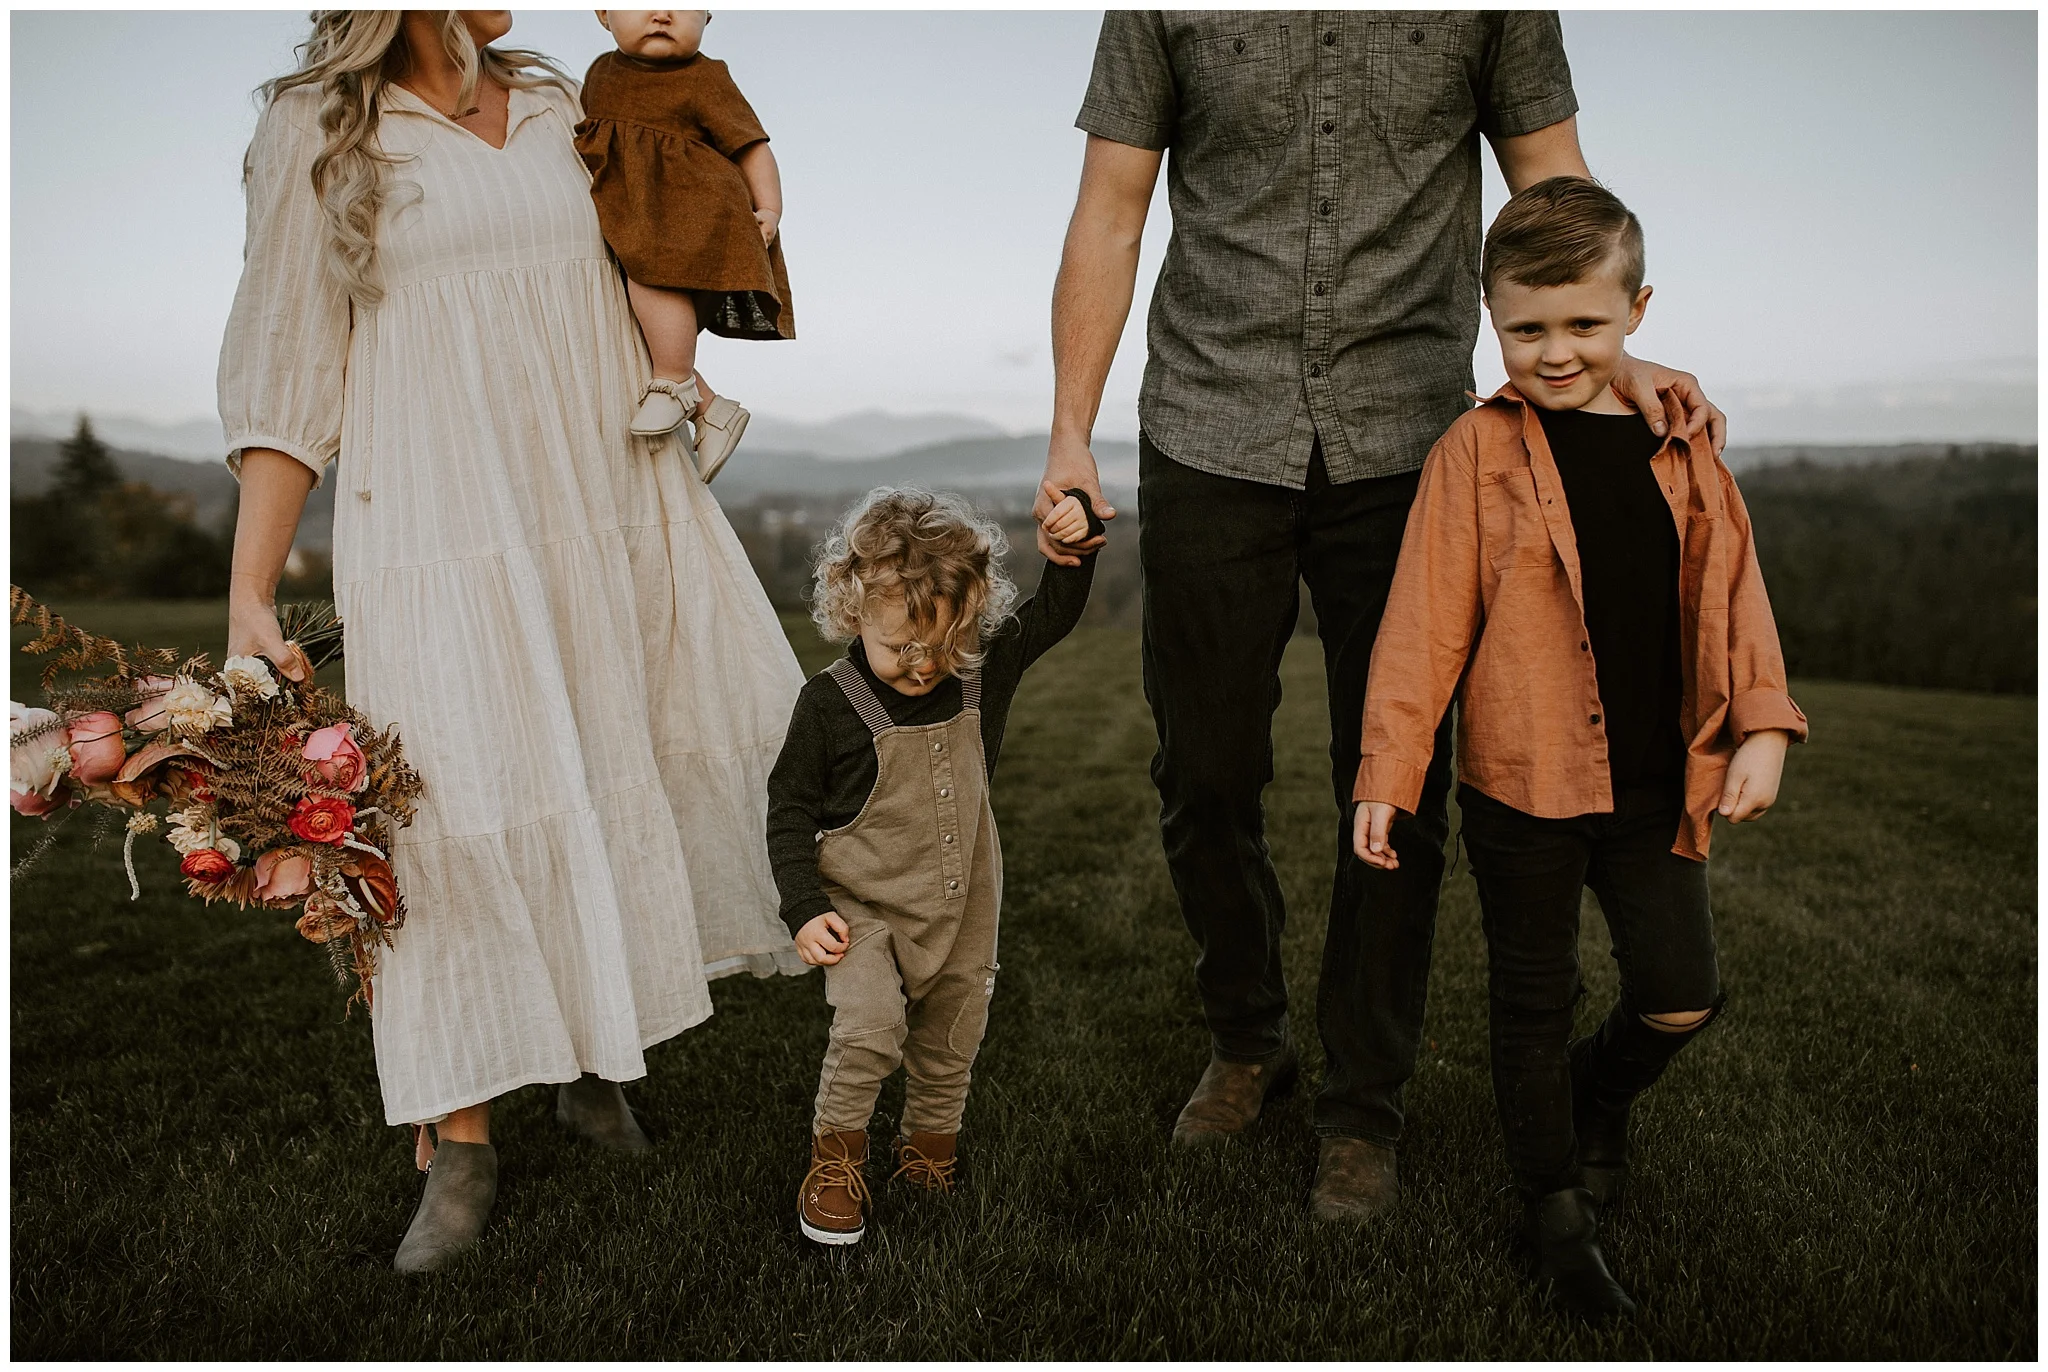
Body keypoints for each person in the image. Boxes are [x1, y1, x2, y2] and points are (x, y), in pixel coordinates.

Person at [1038, 11, 1728, 1222]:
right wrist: (1066, 433)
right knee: (1202, 769)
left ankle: (1363, 1107)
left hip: (1413, 433)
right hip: (1208, 419)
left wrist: (1626, 359)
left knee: (1395, 786)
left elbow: (1555, 192)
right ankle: (1247, 1038)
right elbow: (1109, 209)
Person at [217, 9, 807, 1274]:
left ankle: (597, 1059)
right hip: (438, 523)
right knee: (451, 809)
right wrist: (250, 589)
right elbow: (287, 365)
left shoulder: (559, 106)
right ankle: (462, 1139)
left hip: (596, 496)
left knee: (607, 764)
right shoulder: (319, 128)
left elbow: (657, 241)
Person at [1353, 178, 1806, 1317]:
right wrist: (1387, 774)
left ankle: (1597, 1098)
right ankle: (1550, 1210)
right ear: (1490, 321)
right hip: (1521, 779)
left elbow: (1735, 590)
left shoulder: (1683, 444)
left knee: (1679, 992)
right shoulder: (1473, 452)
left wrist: (1760, 723)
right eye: (1526, 327)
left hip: (1656, 776)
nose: (1555, 353)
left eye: (1584, 325)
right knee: (1530, 997)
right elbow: (1422, 623)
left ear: (1636, 313)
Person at [766, 486, 1097, 1245]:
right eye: (901, 649)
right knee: (871, 1026)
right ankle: (836, 1157)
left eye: (944, 646)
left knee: (952, 1035)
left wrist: (1071, 537)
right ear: (851, 616)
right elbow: (788, 811)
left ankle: (927, 1152)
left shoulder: (983, 672)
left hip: (966, 902)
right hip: (861, 908)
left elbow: (1056, 611)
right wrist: (802, 905)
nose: (923, 667)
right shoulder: (828, 706)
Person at [576, 9, 794, 480]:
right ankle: (711, 409)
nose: (661, 13)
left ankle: (675, 381)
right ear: (602, 14)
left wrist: (770, 210)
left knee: (651, 278)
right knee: (633, 323)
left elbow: (751, 146)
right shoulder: (599, 74)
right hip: (637, 213)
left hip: (694, 212)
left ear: (709, 16)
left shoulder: (704, 77)